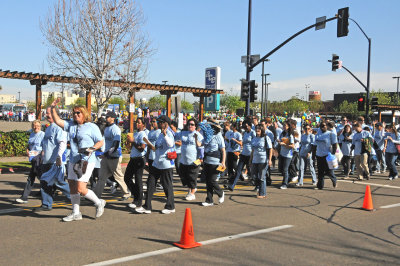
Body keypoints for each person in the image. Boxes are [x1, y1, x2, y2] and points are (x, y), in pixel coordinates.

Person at [51, 99, 105, 222]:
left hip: (86, 161)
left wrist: (92, 149)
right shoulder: (71, 125)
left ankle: (98, 202)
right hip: (73, 160)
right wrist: (53, 107)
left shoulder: (92, 127)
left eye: (78, 113)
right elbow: (58, 120)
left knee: (81, 188)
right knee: (72, 185)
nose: (75, 115)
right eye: (74, 113)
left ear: (84, 114)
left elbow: (100, 141)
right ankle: (76, 213)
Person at [136, 115, 175, 214]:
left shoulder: (169, 133)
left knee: (167, 186)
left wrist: (166, 134)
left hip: (166, 165)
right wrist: (149, 145)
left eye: (160, 122)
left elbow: (171, 144)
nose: (158, 124)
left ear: (165, 123)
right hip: (157, 164)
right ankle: (147, 206)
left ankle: (170, 206)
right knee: (150, 184)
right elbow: (157, 148)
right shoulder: (160, 135)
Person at [35, 107, 70, 211]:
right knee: (47, 182)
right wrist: (41, 155)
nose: (46, 115)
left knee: (57, 183)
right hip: (47, 161)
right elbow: (46, 144)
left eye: (49, 113)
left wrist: (59, 157)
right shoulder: (49, 127)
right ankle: (46, 204)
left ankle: (76, 196)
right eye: (46, 113)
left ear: (55, 114)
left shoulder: (58, 127)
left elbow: (62, 143)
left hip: (54, 162)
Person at [94, 111, 131, 200]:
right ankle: (96, 196)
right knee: (101, 177)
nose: (106, 118)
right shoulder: (107, 128)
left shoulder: (115, 129)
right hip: (107, 156)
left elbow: (116, 144)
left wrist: (106, 154)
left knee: (118, 176)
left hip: (114, 156)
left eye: (108, 117)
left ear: (113, 118)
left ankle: (126, 193)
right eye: (106, 116)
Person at [15, 120, 45, 203]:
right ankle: (48, 191)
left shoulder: (42, 135)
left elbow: (45, 147)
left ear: (40, 126)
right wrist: (27, 151)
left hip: (39, 159)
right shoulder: (32, 134)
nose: (36, 127)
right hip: (32, 158)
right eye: (34, 126)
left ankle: (24, 197)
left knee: (33, 178)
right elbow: (29, 145)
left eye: (38, 126)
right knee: (38, 177)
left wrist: (40, 155)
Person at [176, 118, 203, 200]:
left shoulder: (198, 135)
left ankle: (192, 192)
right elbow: (174, 136)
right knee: (184, 176)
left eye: (192, 124)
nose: (190, 126)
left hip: (194, 160)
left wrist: (201, 158)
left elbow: (201, 147)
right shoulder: (183, 133)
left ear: (195, 126)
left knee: (192, 177)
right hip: (184, 160)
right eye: (189, 124)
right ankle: (191, 189)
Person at [201, 119, 226, 206]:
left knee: (212, 180)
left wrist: (223, 161)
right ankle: (209, 200)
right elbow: (201, 145)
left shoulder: (219, 136)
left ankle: (221, 193)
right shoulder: (207, 136)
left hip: (215, 161)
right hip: (207, 160)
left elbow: (223, 150)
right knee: (208, 181)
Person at [225, 120, 255, 191]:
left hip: (250, 154)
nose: (245, 127)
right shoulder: (244, 133)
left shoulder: (253, 133)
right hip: (243, 154)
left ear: (250, 126)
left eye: (246, 126)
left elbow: (254, 143)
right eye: (244, 126)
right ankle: (232, 186)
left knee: (251, 170)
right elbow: (242, 143)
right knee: (238, 170)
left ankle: (257, 184)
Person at [124, 117, 147, 209]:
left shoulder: (143, 134)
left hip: (139, 159)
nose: (137, 124)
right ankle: (136, 195)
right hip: (133, 158)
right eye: (136, 122)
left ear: (143, 125)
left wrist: (133, 142)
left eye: (139, 123)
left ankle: (139, 201)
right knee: (127, 178)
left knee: (138, 180)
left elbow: (142, 148)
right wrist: (128, 144)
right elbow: (132, 147)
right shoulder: (136, 133)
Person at [250, 124, 272, 198]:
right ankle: (259, 189)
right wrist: (250, 160)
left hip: (263, 160)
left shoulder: (266, 138)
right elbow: (252, 150)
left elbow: (270, 149)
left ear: (262, 130)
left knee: (262, 177)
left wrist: (270, 160)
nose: (257, 130)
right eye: (256, 129)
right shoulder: (254, 139)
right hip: (255, 160)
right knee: (253, 175)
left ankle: (262, 193)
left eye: (259, 129)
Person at [313, 121, 338, 190]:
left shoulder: (330, 134)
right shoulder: (317, 134)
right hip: (319, 155)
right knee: (320, 171)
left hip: (327, 155)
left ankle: (334, 179)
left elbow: (335, 144)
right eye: (321, 126)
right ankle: (320, 186)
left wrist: (333, 153)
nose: (323, 127)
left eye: (324, 126)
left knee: (329, 171)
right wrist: (313, 155)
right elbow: (314, 146)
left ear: (326, 126)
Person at [278, 121, 295, 189]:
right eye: (283, 125)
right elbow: (280, 140)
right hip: (282, 153)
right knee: (281, 169)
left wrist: (284, 144)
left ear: (288, 127)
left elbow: (292, 146)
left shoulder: (290, 135)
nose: (284, 127)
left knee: (285, 169)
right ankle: (289, 178)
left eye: (285, 125)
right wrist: (279, 142)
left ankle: (285, 184)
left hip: (288, 155)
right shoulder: (282, 134)